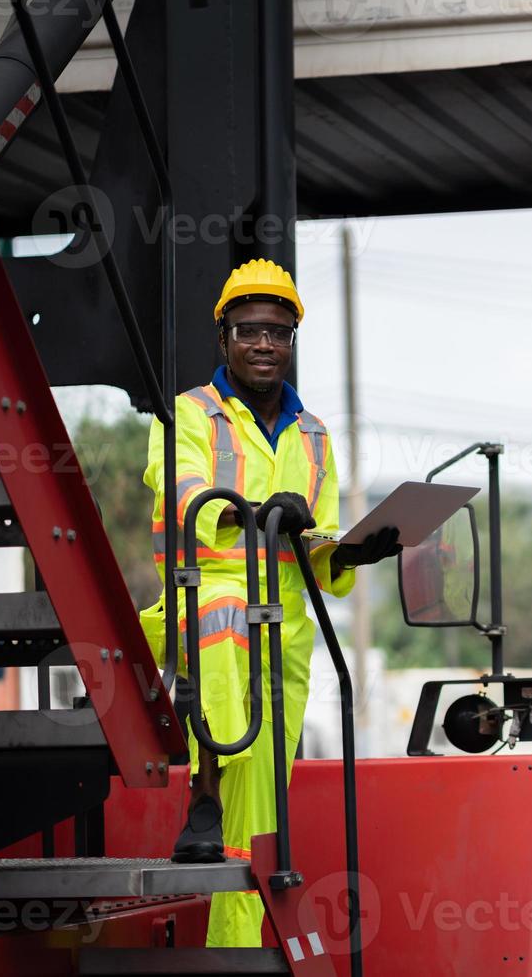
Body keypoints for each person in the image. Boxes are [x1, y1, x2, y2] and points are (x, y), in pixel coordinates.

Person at [138, 258, 401, 947]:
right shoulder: (189, 413)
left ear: (292, 342)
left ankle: (236, 945)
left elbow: (311, 536)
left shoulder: (313, 434)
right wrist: (256, 510)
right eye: (250, 330)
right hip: (208, 606)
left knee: (260, 813)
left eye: (278, 333)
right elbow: (182, 491)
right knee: (227, 621)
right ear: (224, 336)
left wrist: (347, 553)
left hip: (284, 629)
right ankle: (202, 792)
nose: (264, 344)